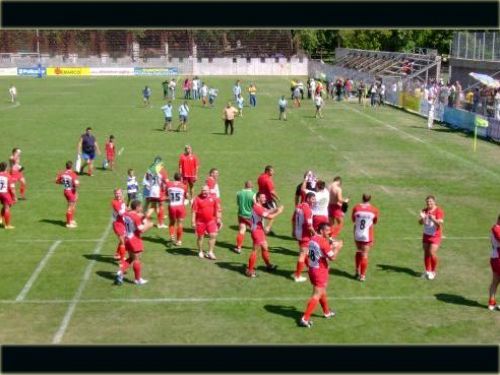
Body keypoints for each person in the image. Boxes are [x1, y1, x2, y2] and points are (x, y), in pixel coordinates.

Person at [299, 223, 343, 328]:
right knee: (317, 294)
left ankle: (326, 312)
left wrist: (330, 244)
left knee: (322, 291)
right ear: (322, 231)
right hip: (320, 271)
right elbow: (332, 258)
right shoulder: (323, 242)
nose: (329, 232)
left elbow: (321, 249)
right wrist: (338, 248)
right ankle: (305, 318)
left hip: (312, 269)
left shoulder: (313, 238)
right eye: (327, 231)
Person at [115, 200, 154, 286]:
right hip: (134, 240)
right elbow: (141, 229)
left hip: (127, 238)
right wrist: (149, 225)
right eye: (140, 207)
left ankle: (120, 272)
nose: (141, 208)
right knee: (137, 259)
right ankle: (138, 279)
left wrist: (145, 215)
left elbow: (137, 217)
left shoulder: (127, 214)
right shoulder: (135, 217)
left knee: (131, 258)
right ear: (137, 207)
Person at [245, 192, 284, 278]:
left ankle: (268, 265)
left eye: (265, 197)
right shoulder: (257, 208)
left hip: (259, 230)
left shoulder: (259, 206)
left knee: (265, 247)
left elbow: (267, 211)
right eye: (263, 197)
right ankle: (250, 271)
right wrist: (279, 212)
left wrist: (276, 209)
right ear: (258, 198)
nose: (265, 199)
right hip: (257, 231)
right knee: (255, 250)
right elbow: (269, 217)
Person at [352, 194, 379, 282]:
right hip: (367, 235)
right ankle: (362, 275)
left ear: (362, 198)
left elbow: (353, 220)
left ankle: (356, 270)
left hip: (357, 233)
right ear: (370, 199)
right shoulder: (374, 209)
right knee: (365, 255)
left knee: (358, 251)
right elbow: (375, 222)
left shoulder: (356, 208)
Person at [192, 185, 221, 260]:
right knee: (200, 237)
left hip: (211, 221)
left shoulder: (213, 198)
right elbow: (194, 211)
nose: (204, 192)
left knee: (213, 235)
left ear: (209, 191)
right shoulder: (197, 199)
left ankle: (210, 252)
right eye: (203, 190)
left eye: (205, 190)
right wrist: (193, 222)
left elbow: (217, 209)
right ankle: (200, 251)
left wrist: (218, 219)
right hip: (200, 222)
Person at [292, 191, 316, 282]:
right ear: (308, 198)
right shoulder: (308, 210)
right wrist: (315, 234)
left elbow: (293, 219)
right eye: (313, 199)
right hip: (304, 235)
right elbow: (309, 226)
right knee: (303, 253)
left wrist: (293, 230)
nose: (314, 201)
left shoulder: (299, 206)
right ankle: (297, 276)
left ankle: (310, 268)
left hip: (298, 233)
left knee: (305, 252)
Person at [418, 195, 444, 280]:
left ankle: (433, 271)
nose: (429, 203)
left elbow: (439, 224)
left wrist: (433, 219)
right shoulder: (424, 210)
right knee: (426, 252)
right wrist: (423, 218)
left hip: (435, 235)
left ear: (434, 202)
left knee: (432, 253)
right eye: (427, 202)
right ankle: (427, 271)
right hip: (426, 234)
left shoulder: (439, 211)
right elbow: (420, 223)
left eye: (430, 201)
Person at [143, 157, 168, 229]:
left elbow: (147, 179)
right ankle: (160, 223)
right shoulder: (162, 170)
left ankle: (144, 219)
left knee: (153, 207)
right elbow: (166, 181)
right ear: (160, 162)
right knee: (161, 206)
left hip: (151, 190)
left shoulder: (150, 169)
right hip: (159, 191)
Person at [55, 161, 79, 229]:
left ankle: (71, 220)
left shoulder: (62, 173)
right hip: (71, 192)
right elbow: (76, 184)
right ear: (71, 166)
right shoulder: (73, 174)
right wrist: (76, 188)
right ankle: (68, 223)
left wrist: (64, 183)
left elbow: (57, 181)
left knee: (73, 205)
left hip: (66, 191)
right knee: (70, 207)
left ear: (66, 166)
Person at [166, 172, 188, 246]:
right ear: (180, 178)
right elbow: (186, 196)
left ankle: (172, 236)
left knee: (172, 222)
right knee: (180, 223)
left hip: (172, 206)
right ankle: (179, 241)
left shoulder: (168, 184)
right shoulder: (184, 186)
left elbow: (167, 194)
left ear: (174, 178)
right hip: (180, 206)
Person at [257, 165, 280, 235]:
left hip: (261, 198)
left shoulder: (260, 177)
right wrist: (278, 198)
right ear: (267, 171)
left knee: (262, 214)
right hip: (268, 199)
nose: (273, 172)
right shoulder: (268, 180)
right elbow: (272, 192)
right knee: (275, 211)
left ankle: (262, 228)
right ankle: (267, 228)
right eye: (272, 171)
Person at [235, 180, 256, 254]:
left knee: (242, 230)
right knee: (254, 231)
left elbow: (238, 203)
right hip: (250, 216)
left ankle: (238, 247)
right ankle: (255, 246)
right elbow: (255, 205)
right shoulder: (253, 195)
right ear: (251, 186)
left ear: (245, 185)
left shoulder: (239, 193)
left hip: (241, 214)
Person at [111, 188, 127, 261]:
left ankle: (117, 254)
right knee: (123, 242)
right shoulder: (115, 202)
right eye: (116, 193)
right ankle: (122, 259)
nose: (118, 195)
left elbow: (125, 210)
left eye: (119, 193)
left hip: (122, 223)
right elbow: (121, 213)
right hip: (117, 224)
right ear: (114, 194)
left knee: (123, 240)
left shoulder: (122, 201)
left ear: (121, 193)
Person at [489, 215, 500, 311]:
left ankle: (491, 303)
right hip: (498, 258)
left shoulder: (495, 228)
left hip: (494, 258)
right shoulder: (496, 228)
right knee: (495, 281)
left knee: (495, 281)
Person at [0, 161, 16, 229]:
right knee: (7, 207)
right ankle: (7, 225)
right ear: (6, 168)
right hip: (4, 193)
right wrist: (14, 197)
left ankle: (0, 218)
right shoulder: (8, 176)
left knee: (5, 206)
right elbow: (12, 189)